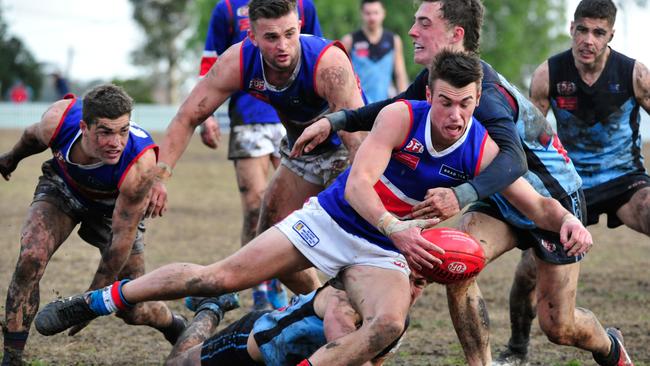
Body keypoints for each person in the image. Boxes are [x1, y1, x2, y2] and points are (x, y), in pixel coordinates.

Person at [35, 50, 592, 366]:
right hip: (336, 221)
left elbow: (535, 205)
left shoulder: (481, 146)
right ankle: (96, 301)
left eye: (465, 105)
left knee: (387, 326)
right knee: (216, 276)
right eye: (444, 101)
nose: (453, 115)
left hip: (386, 252)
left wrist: (567, 221)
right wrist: (396, 227)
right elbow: (356, 187)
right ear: (431, 94)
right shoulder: (403, 117)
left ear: (478, 101)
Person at [291, 1, 634, 365]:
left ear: (455, 35)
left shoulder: (484, 95)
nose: (412, 31)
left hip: (551, 199)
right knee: (456, 264)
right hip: (498, 195)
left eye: (423, 23)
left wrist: (461, 194)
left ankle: (609, 347)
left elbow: (513, 160)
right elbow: (394, 106)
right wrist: (338, 120)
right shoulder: (438, 81)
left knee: (559, 326)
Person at [145, 0, 366, 299]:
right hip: (302, 151)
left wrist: (366, 200)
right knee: (269, 245)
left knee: (357, 243)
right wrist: (161, 177)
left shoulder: (329, 64)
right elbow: (188, 116)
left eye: (290, 34)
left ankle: (373, 314)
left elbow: (359, 142)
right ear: (251, 36)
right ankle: (319, 304)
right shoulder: (238, 60)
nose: (283, 45)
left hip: (347, 150)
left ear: (300, 26)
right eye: (271, 37)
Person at [496, 0, 650, 364]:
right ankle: (517, 347)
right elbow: (531, 138)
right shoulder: (548, 75)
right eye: (582, 30)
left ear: (611, 35)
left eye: (598, 32)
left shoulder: (635, 74)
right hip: (570, 186)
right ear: (572, 28)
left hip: (624, 179)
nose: (588, 40)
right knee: (528, 271)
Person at [0, 85, 187, 366]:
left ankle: (173, 324)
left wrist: (86, 307)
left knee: (132, 309)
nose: (116, 142)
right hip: (63, 188)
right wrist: (9, 159)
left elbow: (119, 242)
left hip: (113, 209)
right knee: (30, 258)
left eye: (123, 131)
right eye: (105, 132)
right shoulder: (58, 121)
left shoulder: (140, 165)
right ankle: (12, 358)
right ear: (84, 127)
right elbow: (30, 137)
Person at [197, 0, 323, 311]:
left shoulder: (303, 6)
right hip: (248, 118)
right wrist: (207, 115)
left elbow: (318, 52)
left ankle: (291, 284)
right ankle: (259, 287)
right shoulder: (227, 8)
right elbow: (210, 62)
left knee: (293, 212)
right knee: (256, 206)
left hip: (295, 120)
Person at [165, 273, 429, 366]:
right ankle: (211, 308)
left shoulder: (396, 321)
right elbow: (345, 352)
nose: (409, 291)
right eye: (405, 279)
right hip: (248, 345)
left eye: (419, 283)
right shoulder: (345, 300)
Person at [341, 0, 408, 103]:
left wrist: (405, 102)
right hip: (358, 106)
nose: (372, 17)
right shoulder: (349, 41)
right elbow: (341, 76)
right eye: (368, 13)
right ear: (361, 14)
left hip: (385, 105)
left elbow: (400, 75)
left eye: (375, 13)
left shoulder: (394, 40)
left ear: (383, 14)